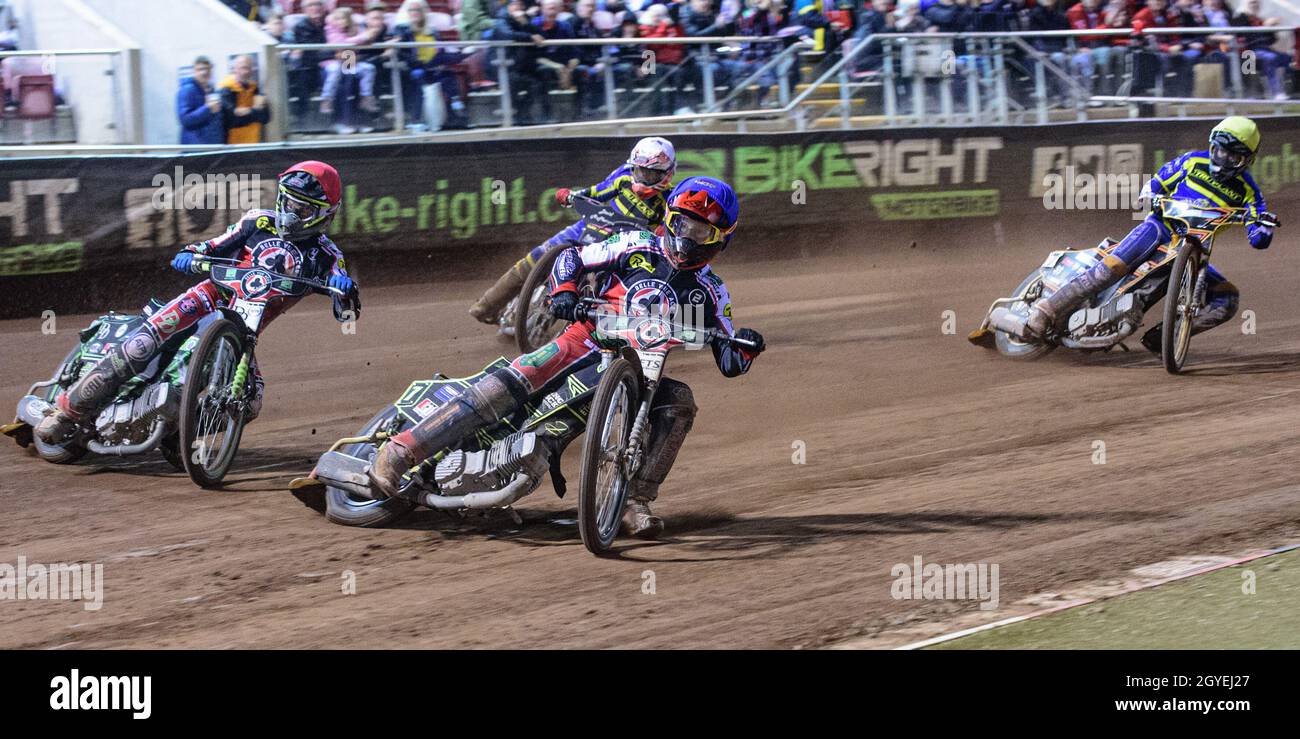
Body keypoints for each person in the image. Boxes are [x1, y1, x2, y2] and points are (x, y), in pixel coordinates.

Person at [369, 176, 766, 538]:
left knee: (679, 402)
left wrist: (744, 344)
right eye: (681, 224)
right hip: (585, 337)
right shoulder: (635, 244)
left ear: (720, 238)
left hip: (645, 367)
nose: (687, 237)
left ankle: (634, 500)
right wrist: (564, 292)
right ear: (669, 217)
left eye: (700, 231)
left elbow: (730, 359)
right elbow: (572, 257)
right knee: (519, 375)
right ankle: (401, 451)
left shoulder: (711, 291)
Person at [35, 162, 359, 445]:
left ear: (324, 213)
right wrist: (190, 254)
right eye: (287, 202)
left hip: (243, 329)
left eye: (301, 209)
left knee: (251, 400)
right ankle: (67, 411)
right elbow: (214, 244)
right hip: (208, 296)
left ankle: (181, 434)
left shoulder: (328, 257)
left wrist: (343, 290)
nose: (290, 213)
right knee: (142, 344)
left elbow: (346, 311)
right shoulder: (257, 222)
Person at [1023, 117, 1281, 352]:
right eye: (1219, 151)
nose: (1223, 161)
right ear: (1212, 146)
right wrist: (1148, 195)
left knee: (1227, 298)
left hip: (1195, 250)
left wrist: (1262, 227)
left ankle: (1164, 337)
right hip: (1160, 228)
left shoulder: (1250, 192)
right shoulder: (1193, 161)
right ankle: (1047, 310)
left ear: (1247, 160)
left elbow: (1259, 238)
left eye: (1232, 157)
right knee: (1112, 267)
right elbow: (1158, 181)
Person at [468, 136, 677, 325]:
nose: (643, 176)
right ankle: (486, 305)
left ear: (666, 174)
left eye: (650, 173)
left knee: (610, 286)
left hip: (620, 243)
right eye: (640, 170)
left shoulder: (669, 199)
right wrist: (571, 196)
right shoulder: (624, 176)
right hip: (592, 225)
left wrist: (660, 231)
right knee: (536, 257)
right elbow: (597, 192)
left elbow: (668, 229)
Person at [219, 54, 271, 144]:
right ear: (235, 68)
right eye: (243, 68)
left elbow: (265, 117)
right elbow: (232, 120)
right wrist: (255, 111)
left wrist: (246, 112)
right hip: (234, 144)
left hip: (254, 141)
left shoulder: (254, 88)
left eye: (249, 68)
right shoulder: (227, 89)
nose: (246, 71)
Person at [176, 56, 226, 145]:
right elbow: (185, 120)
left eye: (207, 69)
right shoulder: (187, 90)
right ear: (194, 71)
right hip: (195, 149)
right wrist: (207, 108)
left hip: (213, 147)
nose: (204, 72)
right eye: (200, 69)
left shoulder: (212, 90)